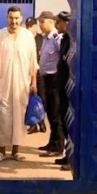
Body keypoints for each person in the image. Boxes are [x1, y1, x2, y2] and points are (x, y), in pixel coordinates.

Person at [0, 6, 39, 162]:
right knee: (3, 117)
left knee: (19, 116)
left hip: (22, 84)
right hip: (2, 84)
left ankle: (16, 151)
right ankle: (1, 151)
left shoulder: (28, 37)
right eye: (11, 18)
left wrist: (33, 83)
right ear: (7, 18)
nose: (14, 21)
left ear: (21, 18)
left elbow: (33, 62)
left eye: (17, 18)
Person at [36, 11, 64, 157]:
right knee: (50, 112)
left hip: (54, 80)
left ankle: (58, 146)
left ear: (51, 22)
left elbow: (63, 58)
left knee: (56, 113)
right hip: (46, 80)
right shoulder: (46, 38)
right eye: (39, 22)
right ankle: (52, 142)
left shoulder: (56, 38)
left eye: (42, 22)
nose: (40, 25)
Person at [54, 11, 72, 171]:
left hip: (69, 88)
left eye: (58, 22)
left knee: (70, 124)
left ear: (66, 22)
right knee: (64, 122)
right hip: (62, 86)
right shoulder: (65, 39)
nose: (56, 24)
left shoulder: (72, 40)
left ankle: (71, 159)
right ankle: (68, 154)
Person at [25, 16, 46, 134]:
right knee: (29, 99)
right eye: (27, 26)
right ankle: (33, 124)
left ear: (35, 26)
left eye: (31, 26)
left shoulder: (41, 39)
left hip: (40, 74)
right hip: (28, 73)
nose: (29, 28)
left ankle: (41, 123)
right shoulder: (24, 39)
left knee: (40, 99)